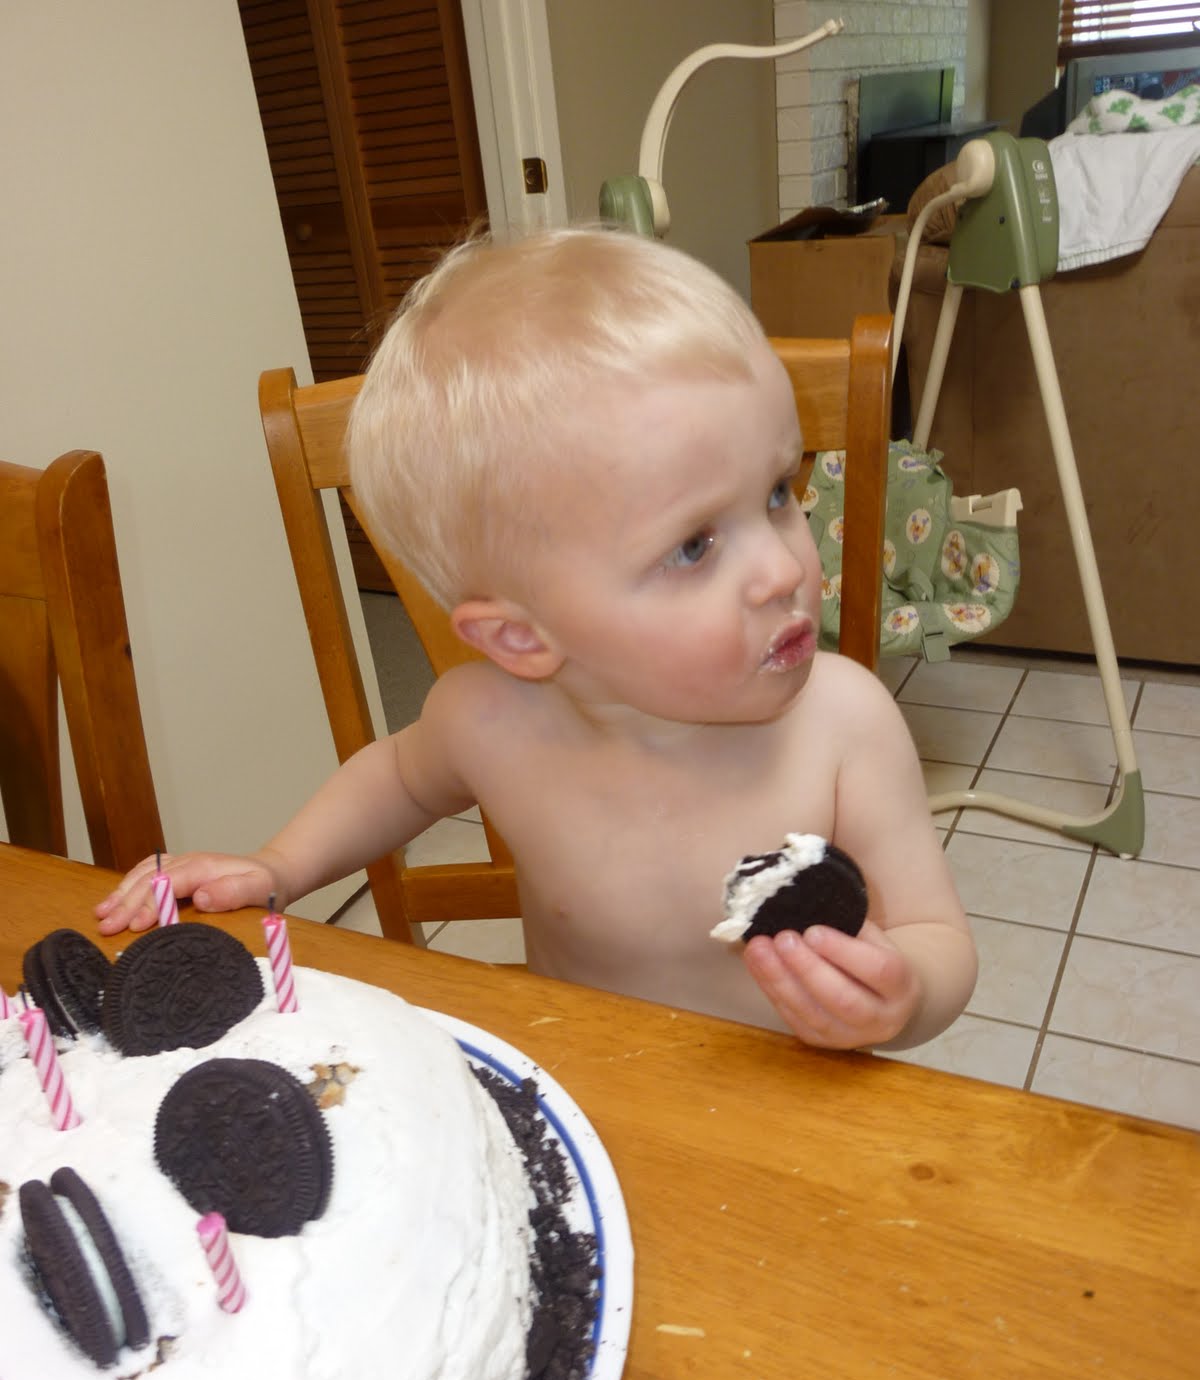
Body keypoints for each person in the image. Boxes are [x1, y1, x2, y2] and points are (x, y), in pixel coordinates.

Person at [97, 226, 976, 1051]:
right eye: (694, 545)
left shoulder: (843, 723)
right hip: (586, 1084)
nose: (785, 568)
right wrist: (280, 865)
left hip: (784, 1112)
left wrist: (902, 998)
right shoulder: (488, 720)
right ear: (521, 638)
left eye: (779, 492)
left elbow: (940, 942)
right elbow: (396, 779)